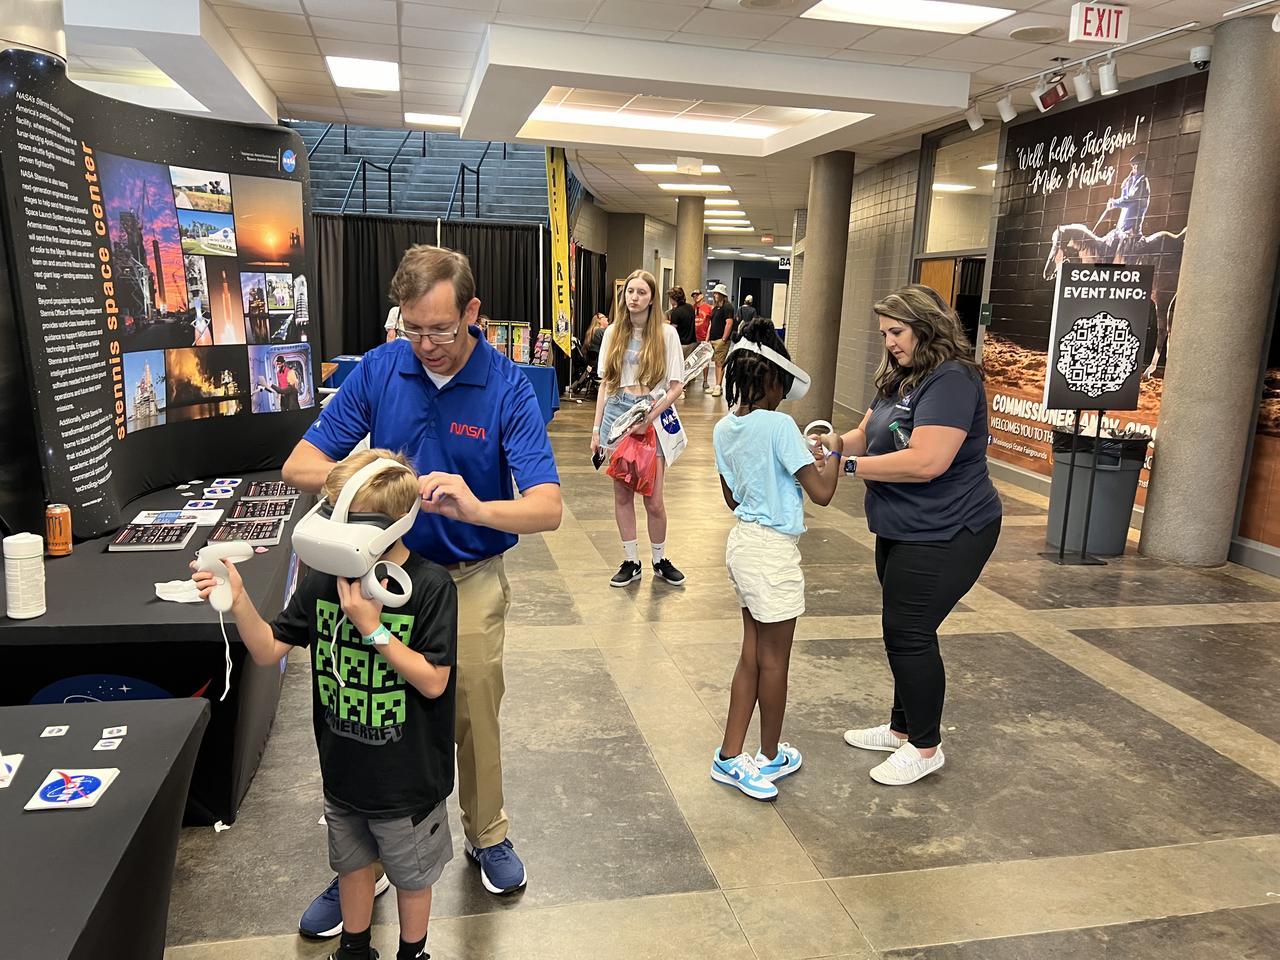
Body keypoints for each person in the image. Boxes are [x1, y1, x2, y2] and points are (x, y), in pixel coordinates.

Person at [284, 245, 562, 935]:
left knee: (470, 707)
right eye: (413, 329)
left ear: (474, 313)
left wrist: (476, 507)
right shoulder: (383, 368)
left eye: (441, 329)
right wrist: (367, 475)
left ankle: (487, 832)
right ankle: (365, 864)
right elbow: (300, 463)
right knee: (374, 712)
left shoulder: (507, 386)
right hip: (382, 575)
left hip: (466, 578)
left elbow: (548, 507)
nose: (428, 345)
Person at [194, 449, 456, 960]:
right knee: (352, 866)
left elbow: (433, 682)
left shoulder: (430, 587)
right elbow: (269, 649)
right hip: (343, 772)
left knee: (411, 874)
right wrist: (240, 598)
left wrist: (372, 627)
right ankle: (354, 949)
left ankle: (413, 951)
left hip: (407, 780)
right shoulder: (323, 583)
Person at [818, 284, 1001, 787]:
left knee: (910, 633)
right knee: (904, 629)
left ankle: (924, 747)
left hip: (950, 528)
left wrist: (849, 466)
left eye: (896, 332)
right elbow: (866, 432)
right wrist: (829, 444)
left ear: (926, 326)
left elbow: (927, 461)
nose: (890, 343)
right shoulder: (903, 375)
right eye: (884, 334)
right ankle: (902, 729)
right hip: (903, 525)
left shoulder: (953, 380)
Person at [710, 319, 840, 801]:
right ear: (770, 380)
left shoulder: (725, 428)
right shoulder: (783, 426)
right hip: (773, 555)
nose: (785, 394)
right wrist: (835, 455)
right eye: (782, 384)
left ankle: (732, 754)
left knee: (751, 654)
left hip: (743, 545)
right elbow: (822, 493)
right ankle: (765, 756)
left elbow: (731, 495)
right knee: (775, 662)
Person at [590, 269, 686, 588]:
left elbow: (675, 385)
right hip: (618, 411)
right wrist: (596, 431)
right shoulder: (613, 332)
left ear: (652, 298)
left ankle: (660, 559)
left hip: (652, 412)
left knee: (653, 498)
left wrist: (651, 414)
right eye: (630, 291)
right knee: (622, 493)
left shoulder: (667, 334)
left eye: (642, 292)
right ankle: (631, 560)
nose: (634, 297)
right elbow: (606, 383)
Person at [707, 283, 736, 397]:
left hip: (721, 340)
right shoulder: (715, 308)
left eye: (717, 293)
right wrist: (708, 338)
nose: (715, 295)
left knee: (720, 363)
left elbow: (729, 323)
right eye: (714, 293)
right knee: (716, 362)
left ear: (722, 294)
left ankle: (718, 386)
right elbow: (711, 323)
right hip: (713, 339)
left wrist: (724, 339)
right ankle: (716, 385)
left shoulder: (728, 307)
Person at [691, 289, 714, 390]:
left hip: (704, 336)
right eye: (694, 295)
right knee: (692, 359)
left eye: (697, 295)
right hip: (693, 337)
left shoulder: (708, 308)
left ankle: (705, 380)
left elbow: (711, 323)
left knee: (705, 360)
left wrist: (708, 337)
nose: (695, 297)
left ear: (702, 296)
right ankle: (691, 378)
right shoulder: (692, 308)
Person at [667, 287, 697, 360]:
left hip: (681, 345)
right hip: (692, 343)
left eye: (670, 298)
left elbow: (673, 330)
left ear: (674, 299)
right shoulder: (690, 307)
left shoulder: (676, 312)